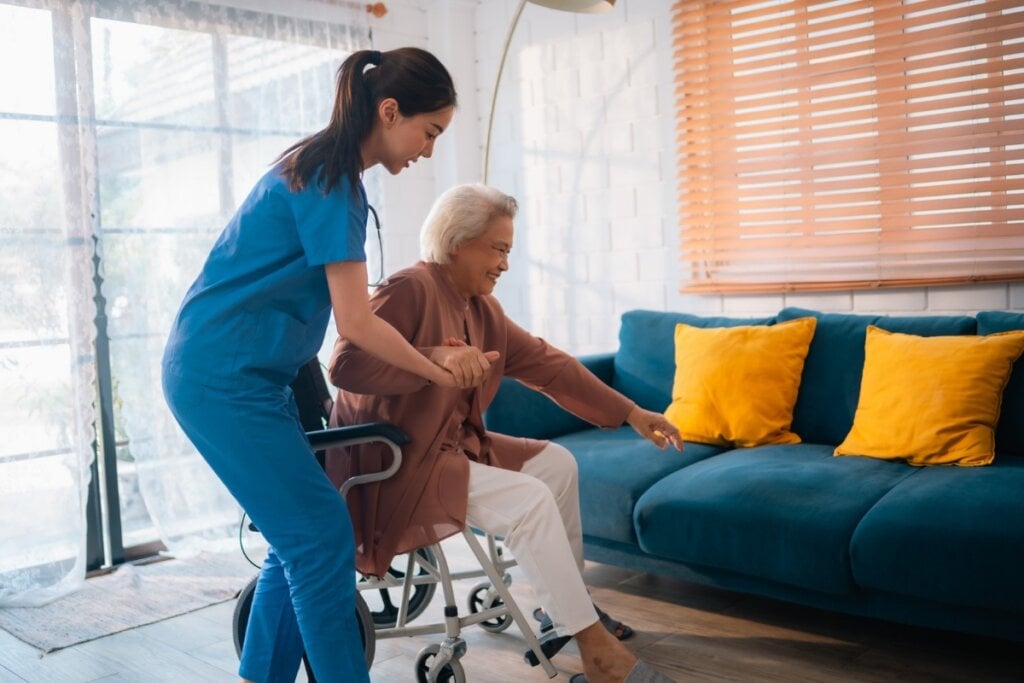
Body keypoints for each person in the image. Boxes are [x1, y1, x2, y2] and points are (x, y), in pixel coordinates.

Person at [161, 48, 465, 683]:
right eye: (428, 132)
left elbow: (312, 306)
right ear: (389, 111)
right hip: (222, 376)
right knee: (320, 535)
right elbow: (356, 323)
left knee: (299, 536)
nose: (428, 151)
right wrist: (437, 371)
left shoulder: (324, 171)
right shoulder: (329, 182)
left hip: (250, 372)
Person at [326, 184, 682, 683]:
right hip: (393, 465)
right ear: (456, 241)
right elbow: (344, 363)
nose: (505, 264)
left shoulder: (481, 308)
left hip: (448, 452)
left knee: (556, 464)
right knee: (529, 499)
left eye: (508, 251)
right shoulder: (410, 288)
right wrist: (432, 358)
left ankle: (565, 612)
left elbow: (549, 364)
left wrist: (630, 412)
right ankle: (594, 649)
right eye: (498, 249)